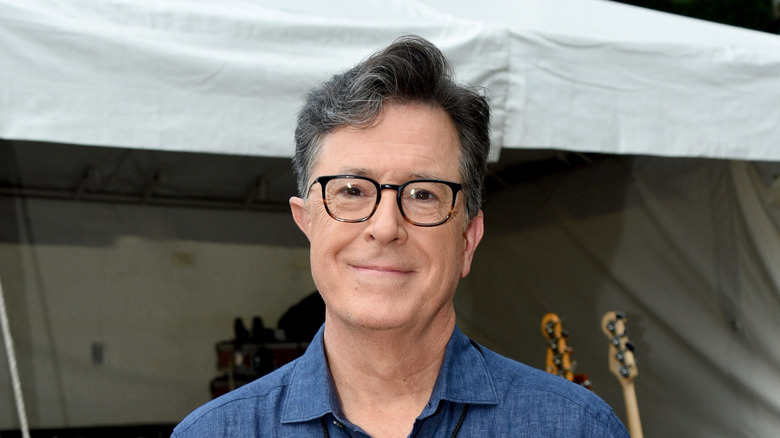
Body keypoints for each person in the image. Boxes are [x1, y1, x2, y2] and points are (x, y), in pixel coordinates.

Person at [173, 35, 629, 438]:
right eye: (351, 190)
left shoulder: (576, 428)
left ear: (468, 238)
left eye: (424, 194)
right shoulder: (214, 432)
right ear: (307, 222)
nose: (386, 227)